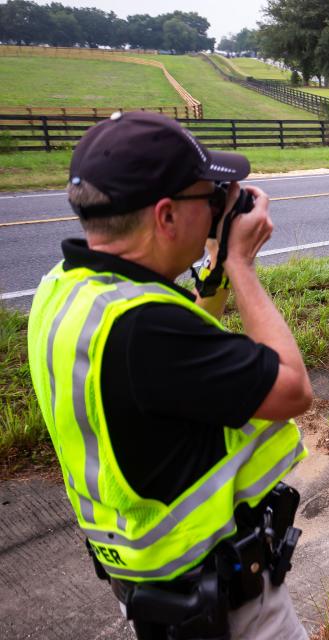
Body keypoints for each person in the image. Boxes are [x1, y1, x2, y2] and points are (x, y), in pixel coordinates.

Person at [26, 111, 314, 639]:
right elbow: (293, 389)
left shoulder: (67, 289)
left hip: (156, 589)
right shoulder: (144, 331)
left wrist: (213, 262)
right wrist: (241, 267)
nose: (214, 211)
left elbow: (190, 345)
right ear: (164, 216)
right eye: (208, 199)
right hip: (228, 608)